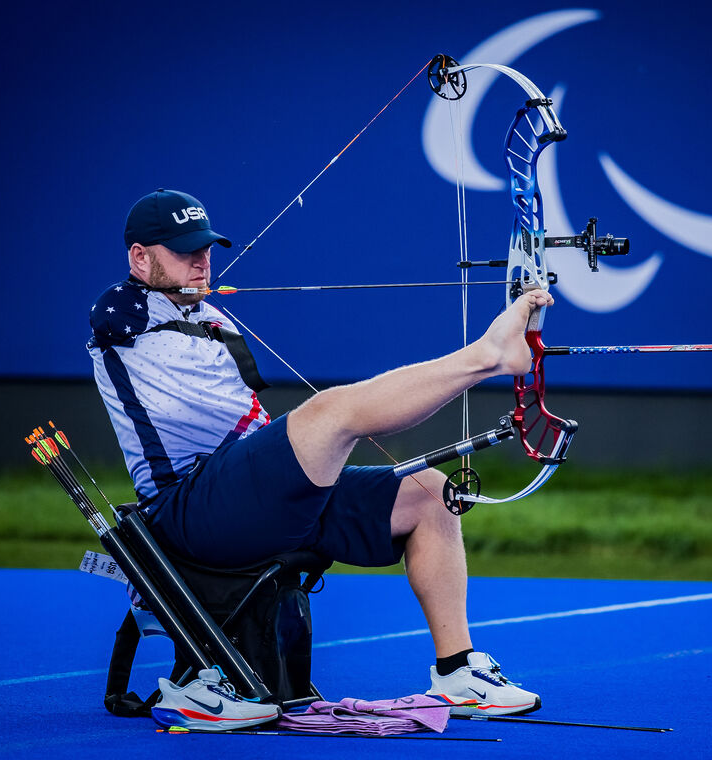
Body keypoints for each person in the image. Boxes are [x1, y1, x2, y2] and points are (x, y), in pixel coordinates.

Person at [88, 189, 550, 717]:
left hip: (249, 499)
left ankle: (458, 673)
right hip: (186, 513)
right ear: (140, 258)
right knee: (329, 412)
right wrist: (156, 295)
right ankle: (488, 356)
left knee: (428, 493)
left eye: (206, 247)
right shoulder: (122, 315)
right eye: (182, 250)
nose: (201, 260)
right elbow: (111, 311)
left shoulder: (213, 320)